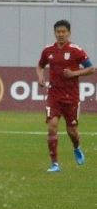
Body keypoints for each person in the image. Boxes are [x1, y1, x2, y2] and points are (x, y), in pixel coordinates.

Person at [36, 19, 94, 172]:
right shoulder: (48, 50)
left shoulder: (76, 50)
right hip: (54, 95)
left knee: (72, 131)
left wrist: (74, 73)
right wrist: (40, 77)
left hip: (71, 97)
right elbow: (40, 65)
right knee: (52, 126)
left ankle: (77, 147)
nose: (61, 34)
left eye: (63, 32)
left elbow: (91, 69)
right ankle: (54, 164)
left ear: (69, 33)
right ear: (54, 33)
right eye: (58, 32)